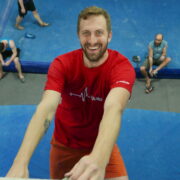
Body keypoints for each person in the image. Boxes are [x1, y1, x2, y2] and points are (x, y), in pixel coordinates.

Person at [6, 6, 135, 180]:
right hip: (64, 146)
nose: (92, 40)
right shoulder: (62, 64)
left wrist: (99, 158)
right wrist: (19, 163)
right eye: (86, 33)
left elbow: (114, 107)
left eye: (99, 33)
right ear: (78, 36)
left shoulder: (121, 67)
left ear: (109, 35)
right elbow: (46, 108)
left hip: (101, 145)